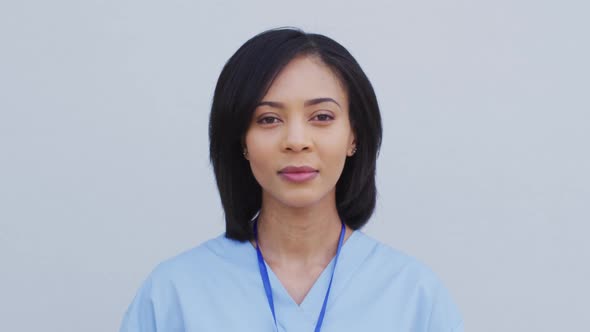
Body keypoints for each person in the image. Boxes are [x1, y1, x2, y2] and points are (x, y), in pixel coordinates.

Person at [119, 27, 464, 332]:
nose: (296, 140)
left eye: (322, 116)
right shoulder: (172, 294)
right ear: (242, 140)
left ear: (353, 136)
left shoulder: (415, 296)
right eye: (269, 119)